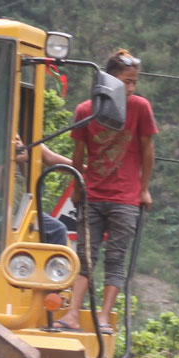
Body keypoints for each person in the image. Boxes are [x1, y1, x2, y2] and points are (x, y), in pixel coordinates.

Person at [70, 48, 158, 332]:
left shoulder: (140, 108)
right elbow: (79, 153)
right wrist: (76, 185)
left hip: (126, 198)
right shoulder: (86, 110)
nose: (132, 88)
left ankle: (104, 317)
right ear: (110, 81)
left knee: (116, 258)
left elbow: (148, 150)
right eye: (127, 82)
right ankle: (72, 313)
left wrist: (143, 189)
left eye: (134, 82)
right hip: (94, 193)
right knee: (85, 255)